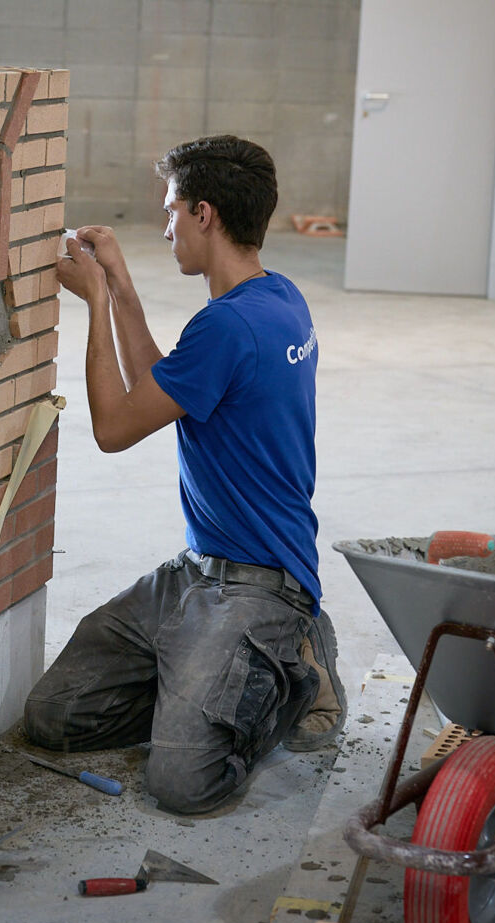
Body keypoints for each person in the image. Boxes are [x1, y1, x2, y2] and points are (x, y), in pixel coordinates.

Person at [23, 134, 344, 814]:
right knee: (57, 716)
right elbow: (161, 386)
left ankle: (295, 665)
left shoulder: (228, 328)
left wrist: (95, 305)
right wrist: (120, 284)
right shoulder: (276, 299)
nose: (164, 227)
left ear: (204, 214)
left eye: (170, 210)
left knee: (184, 783)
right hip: (197, 575)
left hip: (263, 590)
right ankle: (206, 688)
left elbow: (114, 428)